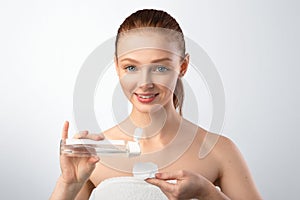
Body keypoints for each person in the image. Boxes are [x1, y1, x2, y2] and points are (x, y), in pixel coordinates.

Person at [50, 9, 262, 200]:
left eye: (160, 68)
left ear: (183, 66)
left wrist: (206, 194)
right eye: (131, 67)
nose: (144, 83)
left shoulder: (219, 151)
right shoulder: (95, 155)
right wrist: (67, 184)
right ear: (117, 66)